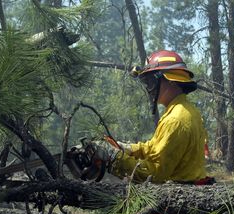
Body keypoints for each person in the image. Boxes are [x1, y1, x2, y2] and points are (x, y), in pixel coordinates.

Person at [81, 50, 214, 186]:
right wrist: (126, 148)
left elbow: (155, 174)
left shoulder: (175, 120)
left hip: (179, 199)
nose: (149, 88)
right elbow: (155, 148)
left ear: (172, 81)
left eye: (151, 82)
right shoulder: (186, 110)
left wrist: (114, 158)